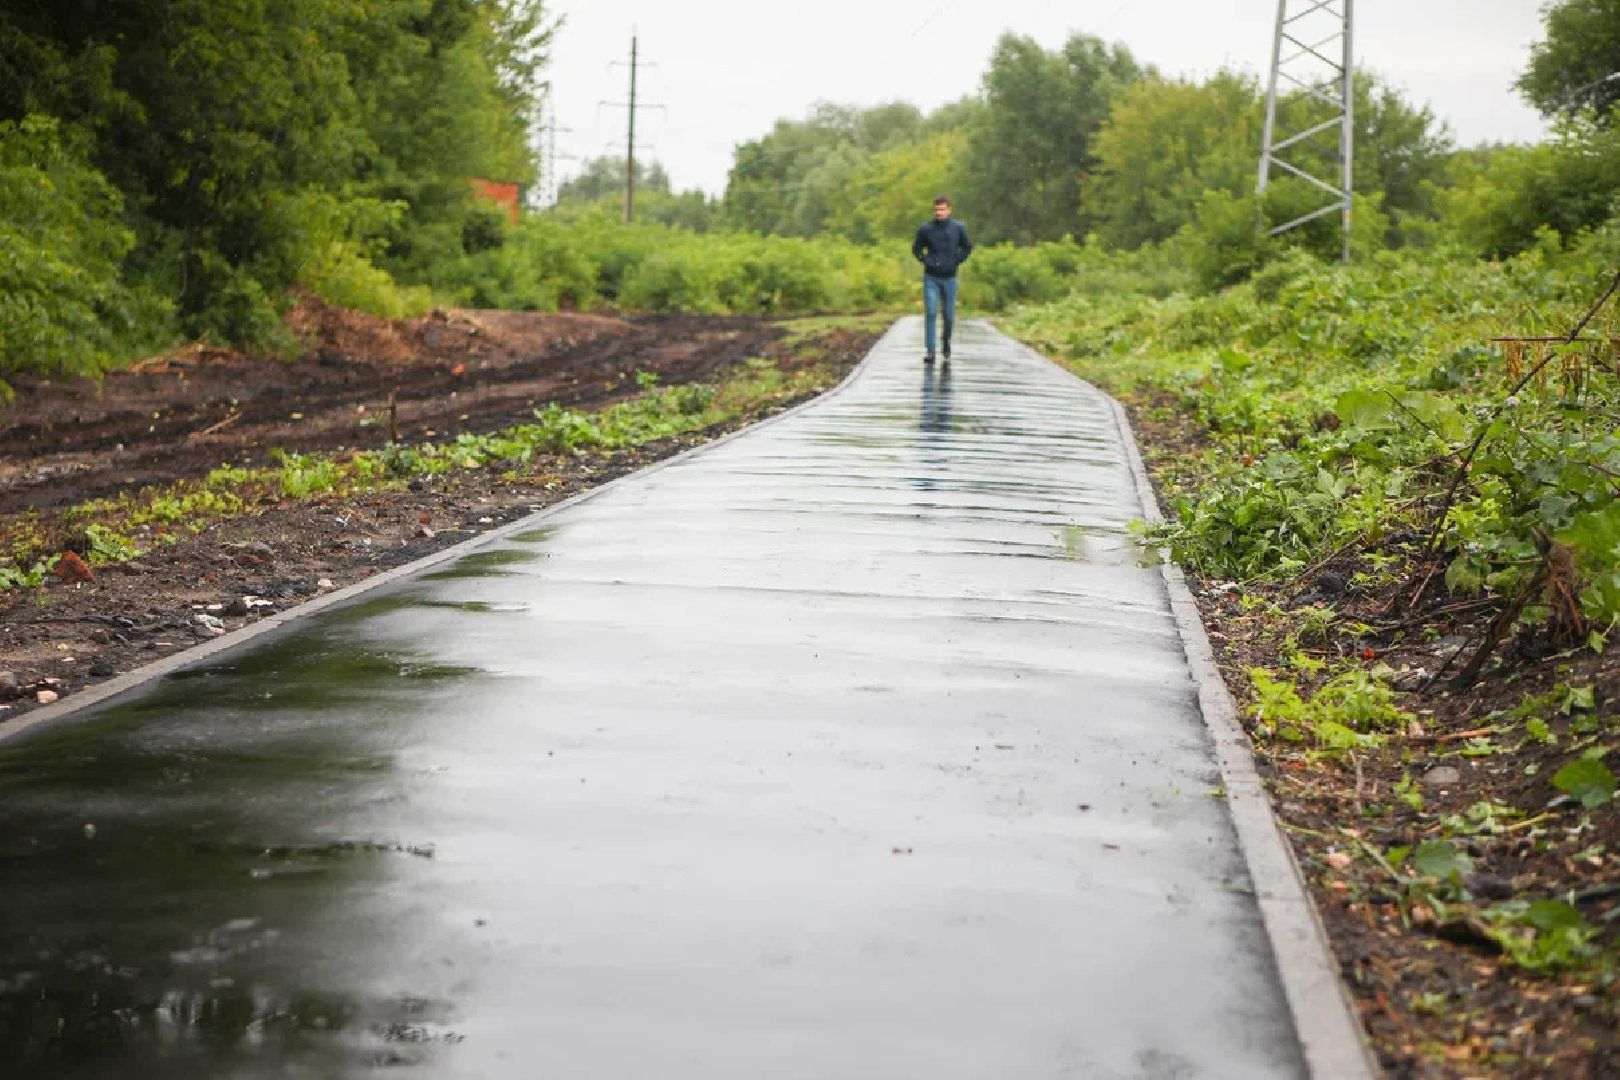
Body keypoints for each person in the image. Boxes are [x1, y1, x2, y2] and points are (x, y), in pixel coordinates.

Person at [911, 195, 972, 365]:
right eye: (937, 210)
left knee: (949, 315)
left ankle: (946, 344)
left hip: (950, 277)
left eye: (943, 209)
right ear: (933, 210)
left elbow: (967, 246)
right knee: (931, 311)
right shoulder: (926, 229)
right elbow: (916, 249)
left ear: (949, 210)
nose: (940, 213)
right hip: (931, 276)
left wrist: (957, 260)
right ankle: (930, 350)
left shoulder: (958, 228)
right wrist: (925, 260)